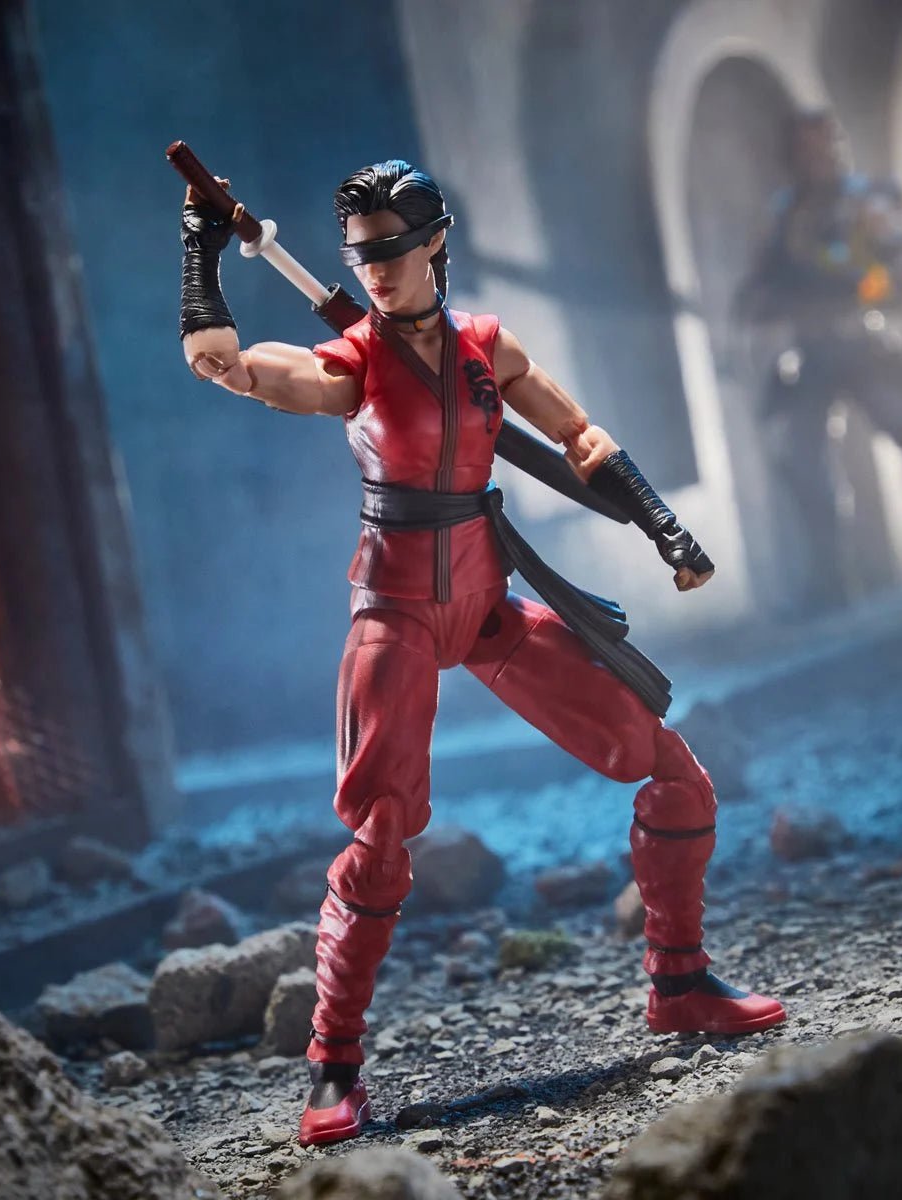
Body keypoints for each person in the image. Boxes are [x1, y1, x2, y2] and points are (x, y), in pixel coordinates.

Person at [179, 160, 785, 1148]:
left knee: (675, 772)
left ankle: (679, 984)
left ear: (434, 243)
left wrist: (662, 526)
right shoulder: (354, 360)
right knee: (381, 834)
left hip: (487, 604)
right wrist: (200, 254)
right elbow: (233, 368)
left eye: (390, 247)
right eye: (359, 254)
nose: (375, 268)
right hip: (397, 610)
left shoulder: (486, 347)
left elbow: (581, 439)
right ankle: (333, 1064)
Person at [735, 109, 902, 613]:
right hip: (812, 352)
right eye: (806, 148)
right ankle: (831, 580)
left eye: (824, 145)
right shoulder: (784, 216)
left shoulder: (867, 204)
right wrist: (782, 305)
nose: (817, 157)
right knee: (800, 459)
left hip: (865, 343)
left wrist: (859, 291)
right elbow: (757, 291)